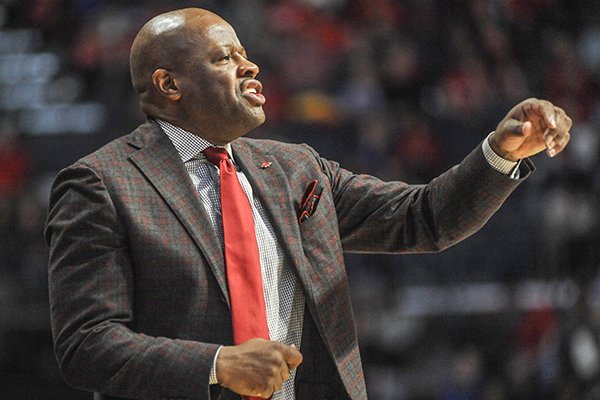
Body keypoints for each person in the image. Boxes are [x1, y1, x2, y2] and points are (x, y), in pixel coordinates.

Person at [44, 7, 572, 400]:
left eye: (246, 53)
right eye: (226, 58)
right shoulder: (102, 182)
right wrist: (217, 363)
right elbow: (87, 343)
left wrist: (499, 153)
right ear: (169, 83)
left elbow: (424, 219)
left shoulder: (297, 168)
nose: (250, 67)